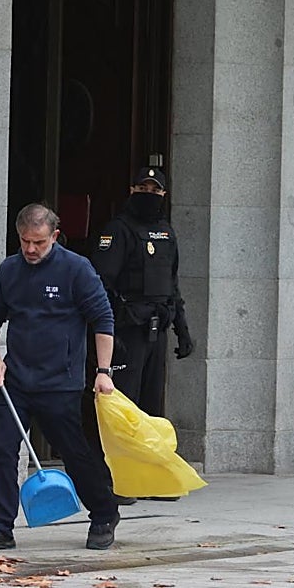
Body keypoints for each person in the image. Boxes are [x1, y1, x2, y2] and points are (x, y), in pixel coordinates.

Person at [0, 203, 121, 552]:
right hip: (14, 381)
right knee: (2, 451)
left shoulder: (76, 269)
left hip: (60, 382)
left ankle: (103, 513)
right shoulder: (10, 269)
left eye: (38, 242)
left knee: (75, 453)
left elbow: (103, 319)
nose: (31, 249)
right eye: (24, 241)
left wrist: (103, 372)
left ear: (54, 236)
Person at [91, 166, 195, 417]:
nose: (149, 194)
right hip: (128, 331)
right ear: (132, 190)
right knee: (123, 405)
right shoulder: (118, 230)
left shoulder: (166, 232)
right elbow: (100, 285)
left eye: (155, 190)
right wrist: (107, 332)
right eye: (142, 188)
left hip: (157, 330)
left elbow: (172, 284)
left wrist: (182, 330)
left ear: (163, 194)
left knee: (152, 407)